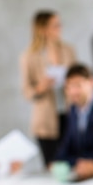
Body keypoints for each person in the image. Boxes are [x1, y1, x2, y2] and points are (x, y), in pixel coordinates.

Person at [20, 10, 76, 166]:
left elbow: (78, 77)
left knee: (72, 162)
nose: (60, 28)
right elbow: (26, 91)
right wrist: (41, 87)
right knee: (52, 165)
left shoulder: (68, 50)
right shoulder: (29, 56)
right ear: (42, 29)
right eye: (55, 25)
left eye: (60, 24)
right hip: (46, 120)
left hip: (69, 112)